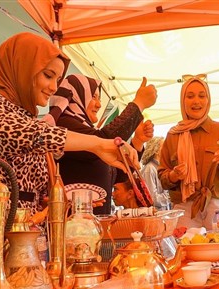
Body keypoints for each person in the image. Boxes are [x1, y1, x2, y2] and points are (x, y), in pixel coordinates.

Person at [0, 32, 139, 235]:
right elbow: (27, 134)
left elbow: (34, 188)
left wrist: (61, 202)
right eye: (48, 75)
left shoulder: (26, 117)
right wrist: (98, 144)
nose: (54, 87)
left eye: (58, 79)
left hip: (27, 237)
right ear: (22, 68)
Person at [44, 74, 156, 214]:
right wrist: (138, 104)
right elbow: (103, 139)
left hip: (91, 224)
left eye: (99, 98)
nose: (99, 104)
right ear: (77, 96)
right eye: (93, 97)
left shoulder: (86, 129)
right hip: (73, 224)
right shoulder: (63, 125)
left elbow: (118, 176)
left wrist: (137, 142)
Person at [158, 74, 219, 239]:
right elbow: (163, 179)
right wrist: (174, 175)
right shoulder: (173, 135)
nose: (196, 101)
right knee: (188, 259)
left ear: (208, 100)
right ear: (182, 100)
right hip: (186, 210)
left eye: (202, 96)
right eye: (190, 96)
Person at [140, 136, 171, 211]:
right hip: (156, 215)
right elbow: (152, 199)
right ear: (156, 150)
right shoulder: (149, 169)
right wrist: (171, 196)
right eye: (164, 146)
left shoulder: (160, 168)